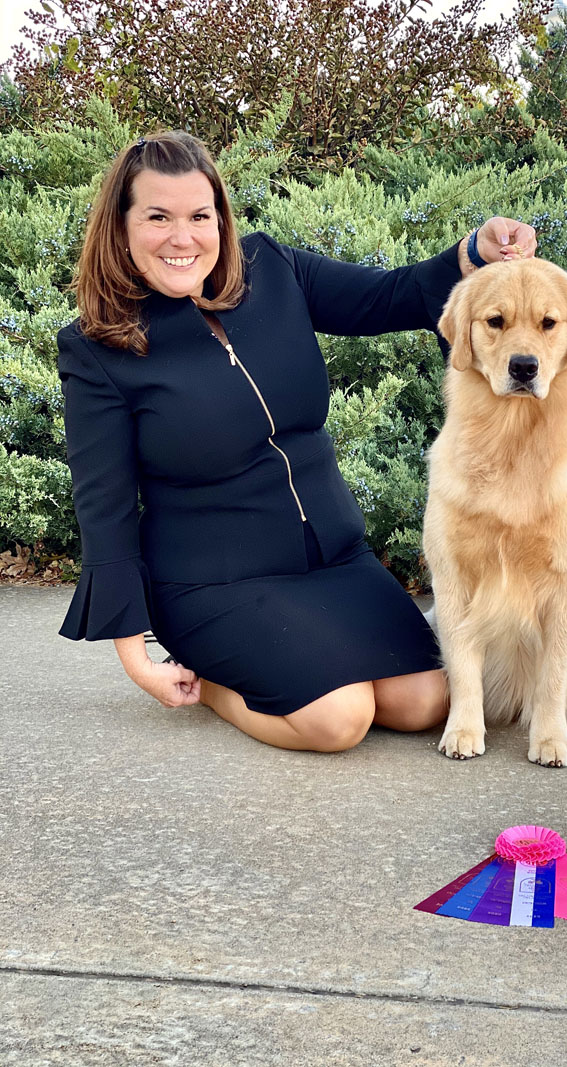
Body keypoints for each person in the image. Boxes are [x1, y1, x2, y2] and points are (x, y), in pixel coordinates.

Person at [57, 131, 537, 753]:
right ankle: (218, 687)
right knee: (337, 721)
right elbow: (105, 502)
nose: (183, 237)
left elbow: (387, 296)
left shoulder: (272, 270)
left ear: (221, 221)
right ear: (121, 228)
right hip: (213, 583)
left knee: (426, 703)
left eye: (200, 216)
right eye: (158, 217)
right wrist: (135, 654)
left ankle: (306, 664)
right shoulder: (96, 350)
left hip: (333, 560)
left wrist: (473, 250)